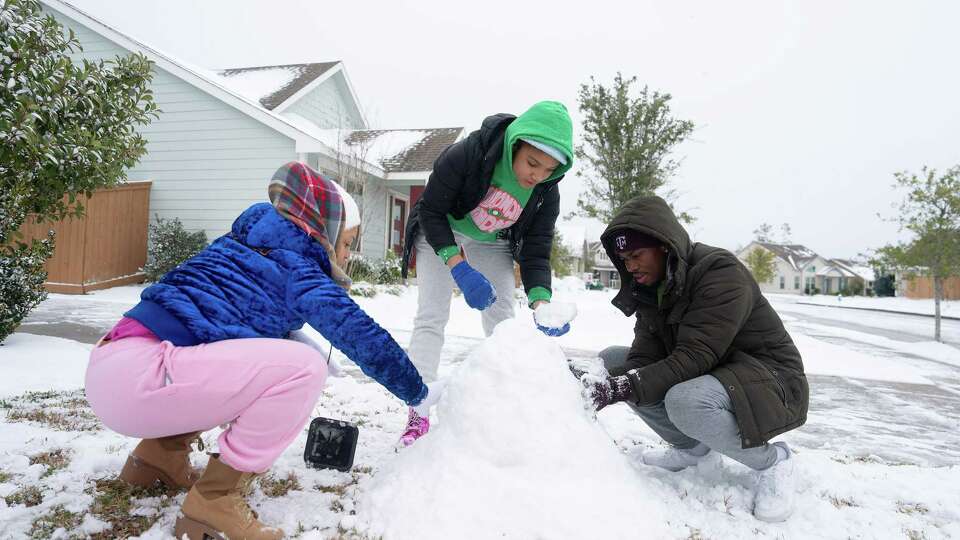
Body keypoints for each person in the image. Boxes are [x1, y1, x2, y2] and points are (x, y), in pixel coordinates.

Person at [85, 162, 440, 540]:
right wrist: (417, 391)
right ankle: (216, 499)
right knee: (303, 369)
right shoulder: (299, 268)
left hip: (114, 365)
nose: (348, 255)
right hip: (146, 375)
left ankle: (157, 458)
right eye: (348, 242)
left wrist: (285, 339)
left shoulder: (239, 243)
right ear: (324, 229)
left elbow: (219, 327)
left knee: (242, 369)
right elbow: (362, 336)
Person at [579, 195, 809, 523]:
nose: (629, 266)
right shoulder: (652, 285)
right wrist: (593, 376)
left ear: (662, 245)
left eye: (636, 255)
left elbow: (696, 355)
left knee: (683, 400)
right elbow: (643, 357)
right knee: (610, 359)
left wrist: (623, 386)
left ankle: (774, 462)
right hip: (716, 372)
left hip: (770, 376)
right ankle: (693, 448)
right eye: (623, 259)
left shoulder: (719, 272)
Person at [399, 100, 575, 445]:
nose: (536, 175)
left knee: (503, 319)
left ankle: (500, 404)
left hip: (492, 239)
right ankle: (417, 410)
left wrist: (542, 301)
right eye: (532, 163)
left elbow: (537, 246)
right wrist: (457, 265)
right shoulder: (469, 154)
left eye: (548, 169)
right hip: (442, 227)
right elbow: (432, 210)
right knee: (432, 315)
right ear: (515, 143)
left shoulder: (545, 191)